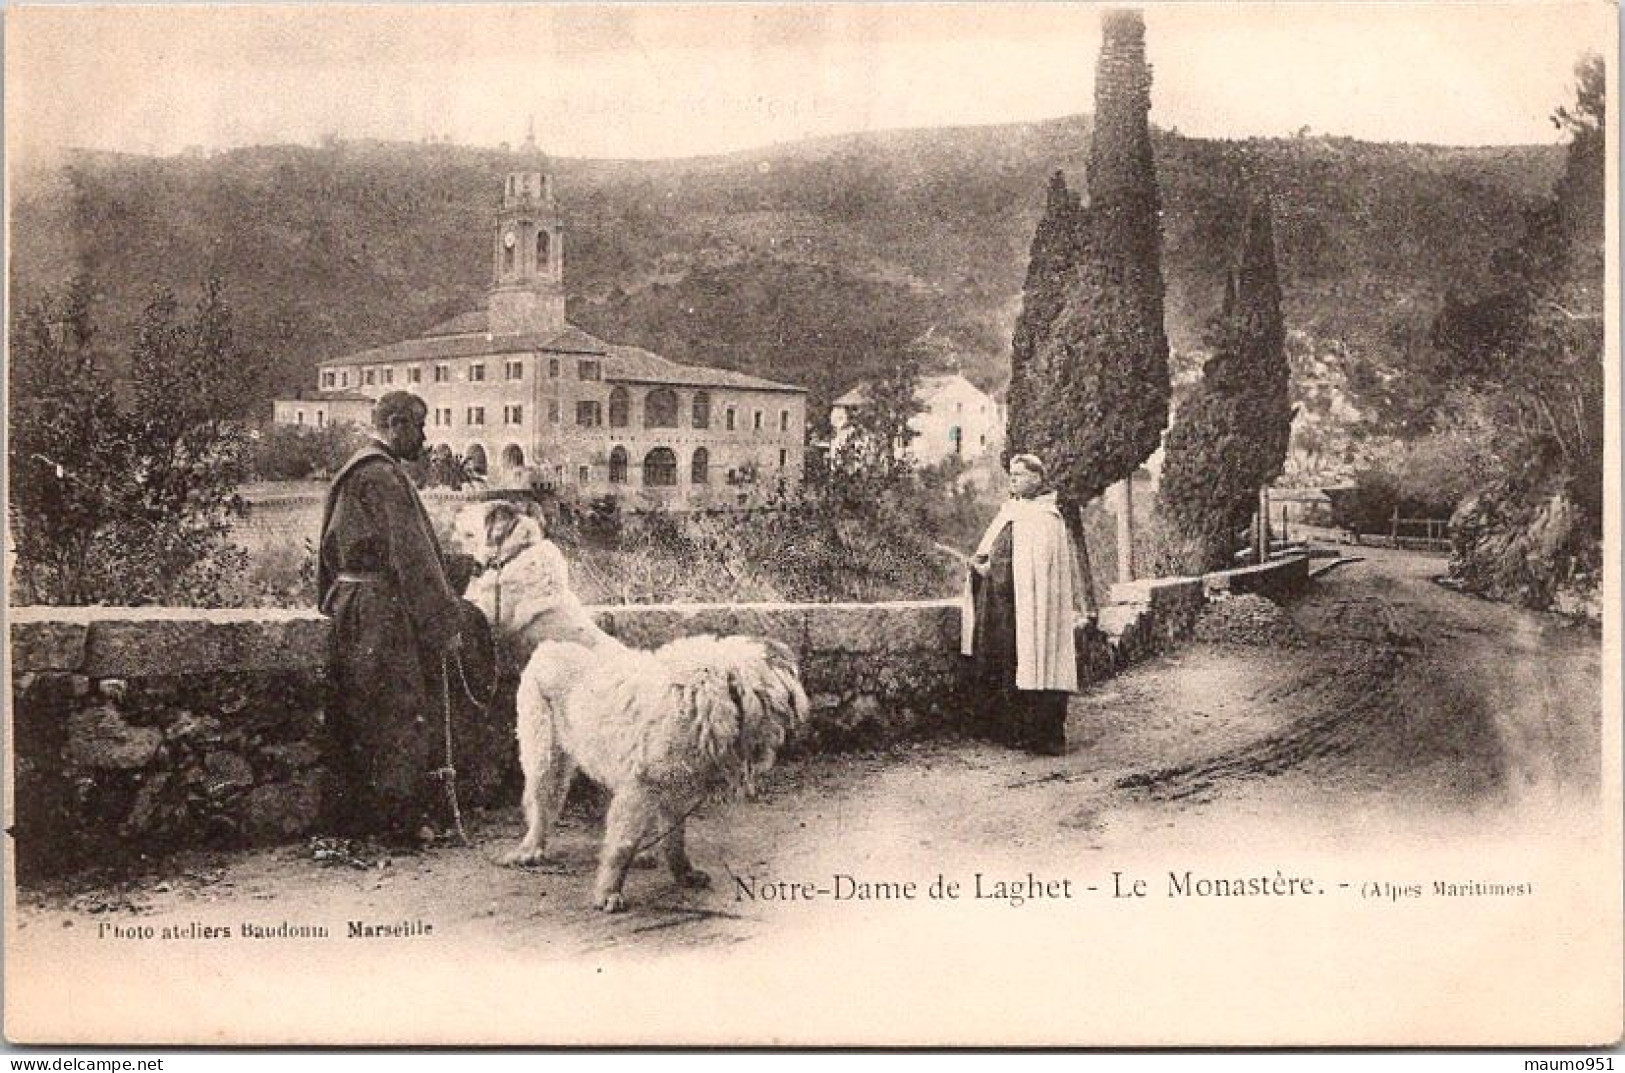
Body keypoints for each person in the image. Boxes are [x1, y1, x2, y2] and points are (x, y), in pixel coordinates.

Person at [318, 391, 467, 838]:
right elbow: (413, 556)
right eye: (419, 427)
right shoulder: (383, 476)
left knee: (363, 708)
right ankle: (398, 823)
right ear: (397, 424)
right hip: (381, 610)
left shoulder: (355, 470)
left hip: (350, 605)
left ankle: (366, 819)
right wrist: (443, 624)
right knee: (397, 710)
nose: (423, 437)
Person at [960, 453, 1088, 755]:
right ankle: (1013, 732)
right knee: (1010, 663)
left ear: (1037, 478)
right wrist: (982, 566)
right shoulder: (1012, 512)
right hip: (1008, 608)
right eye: (1012, 474)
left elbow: (1032, 567)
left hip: (1035, 607)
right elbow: (996, 552)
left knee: (1041, 661)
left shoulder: (1046, 518)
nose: (1013, 479)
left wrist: (995, 569)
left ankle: (1045, 737)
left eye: (1020, 474)